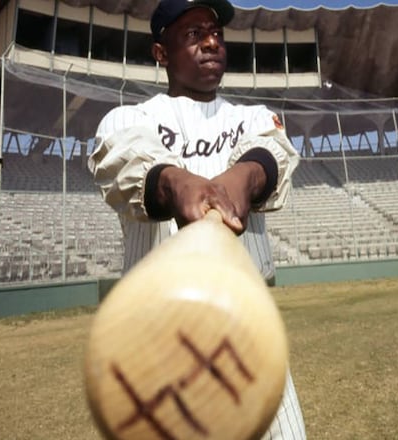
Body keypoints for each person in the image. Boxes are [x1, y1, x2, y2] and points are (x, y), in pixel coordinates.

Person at [87, 0, 306, 438]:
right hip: (155, 339)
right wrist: (176, 184)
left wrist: (242, 180)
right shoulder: (129, 119)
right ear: (161, 53)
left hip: (247, 332)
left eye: (216, 33)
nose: (211, 42)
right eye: (193, 34)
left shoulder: (252, 118)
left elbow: (273, 155)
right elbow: (127, 162)